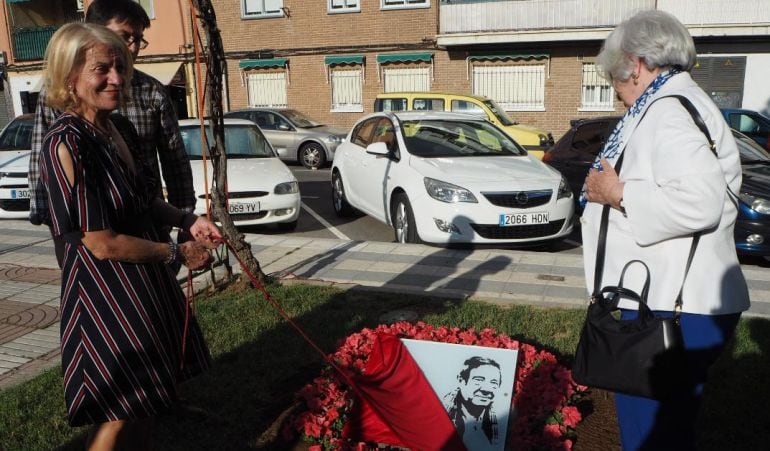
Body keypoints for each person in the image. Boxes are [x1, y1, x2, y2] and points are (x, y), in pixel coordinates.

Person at [37, 22, 221, 450]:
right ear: (69, 75)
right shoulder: (66, 143)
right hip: (106, 295)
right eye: (102, 68)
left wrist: (186, 219)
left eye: (121, 66)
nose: (117, 79)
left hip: (141, 282)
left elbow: (142, 200)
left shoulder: (113, 128)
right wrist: (177, 250)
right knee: (121, 411)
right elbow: (100, 242)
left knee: (149, 399)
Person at [581, 10, 750, 450]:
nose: (617, 95)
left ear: (635, 64)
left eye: (615, 80)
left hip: (674, 305)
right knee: (663, 427)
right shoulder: (674, 102)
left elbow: (699, 202)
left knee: (652, 433)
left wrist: (616, 193)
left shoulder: (669, 111)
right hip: (674, 298)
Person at [29, 0, 195, 266]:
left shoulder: (151, 93)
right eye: (124, 36)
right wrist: (60, 234)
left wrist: (186, 220)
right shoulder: (60, 112)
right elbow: (43, 166)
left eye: (138, 39)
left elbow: (174, 161)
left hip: (149, 226)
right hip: (93, 239)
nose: (133, 47)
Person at [442, 356, 501, 447]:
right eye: (478, 380)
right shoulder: (442, 411)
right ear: (461, 380)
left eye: (493, 383)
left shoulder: (498, 421)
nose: (486, 389)